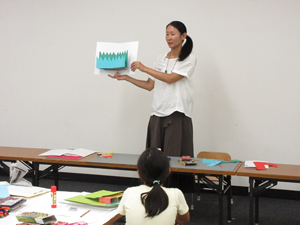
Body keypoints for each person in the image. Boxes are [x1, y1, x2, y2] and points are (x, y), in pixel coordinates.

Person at [109, 21, 196, 192]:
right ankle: (151, 194)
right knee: (154, 159)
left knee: (174, 158)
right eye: (167, 34)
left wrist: (144, 68)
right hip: (158, 111)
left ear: (183, 36)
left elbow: (171, 78)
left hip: (177, 112)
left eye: (173, 34)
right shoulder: (160, 58)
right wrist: (128, 78)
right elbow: (150, 85)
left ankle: (172, 198)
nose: (169, 37)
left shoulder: (189, 58)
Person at [104, 147, 190, 225]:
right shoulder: (176, 194)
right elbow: (184, 219)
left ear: (139, 174)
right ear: (168, 172)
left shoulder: (129, 192)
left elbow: (122, 213)